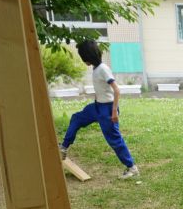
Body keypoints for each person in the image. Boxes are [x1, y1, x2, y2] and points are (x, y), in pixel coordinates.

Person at [59, 39, 139, 179]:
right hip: (97, 107)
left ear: (88, 57)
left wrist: (114, 112)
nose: (84, 61)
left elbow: (117, 90)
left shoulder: (103, 69)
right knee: (76, 118)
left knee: (114, 140)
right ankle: (64, 148)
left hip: (107, 110)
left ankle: (132, 168)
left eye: (84, 58)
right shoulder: (96, 69)